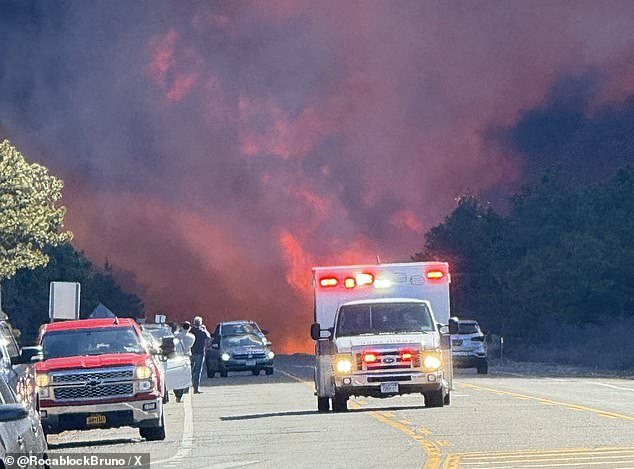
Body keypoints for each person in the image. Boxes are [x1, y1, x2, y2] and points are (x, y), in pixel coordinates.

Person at [173, 321, 195, 402]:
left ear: (182, 327)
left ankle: (177, 393)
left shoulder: (176, 335)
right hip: (187, 357)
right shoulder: (191, 337)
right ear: (189, 328)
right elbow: (190, 346)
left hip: (177, 357)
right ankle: (183, 392)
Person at [190, 316, 210, 394]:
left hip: (191, 352)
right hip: (200, 353)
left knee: (190, 371)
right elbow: (208, 337)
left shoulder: (191, 331)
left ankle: (186, 388)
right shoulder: (202, 332)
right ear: (200, 323)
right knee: (198, 371)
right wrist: (205, 329)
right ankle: (196, 388)